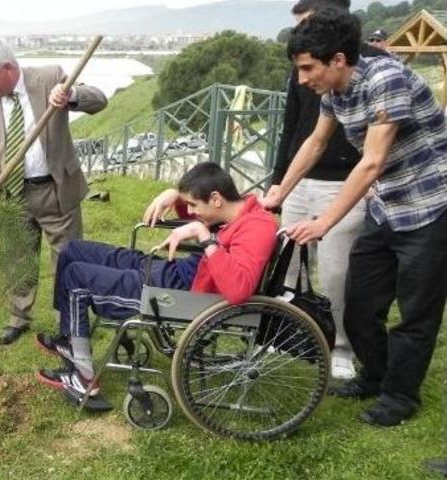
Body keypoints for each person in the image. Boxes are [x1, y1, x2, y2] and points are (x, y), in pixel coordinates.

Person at [264, 9, 447, 427]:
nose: (302, 79)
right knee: (359, 304)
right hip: (388, 208)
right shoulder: (335, 94)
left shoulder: (387, 79)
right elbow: (314, 143)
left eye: (308, 67)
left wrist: (324, 222)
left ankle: (400, 398)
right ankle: (375, 375)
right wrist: (279, 191)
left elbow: (371, 163)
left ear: (339, 60)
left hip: (432, 207)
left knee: (417, 312)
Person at [35, 162, 277, 399]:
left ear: (216, 198)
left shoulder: (257, 227)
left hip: (181, 293)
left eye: (193, 205)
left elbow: (238, 290)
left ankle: (83, 376)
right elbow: (204, 217)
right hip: (173, 271)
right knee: (73, 250)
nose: (190, 211)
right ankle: (69, 338)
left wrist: (203, 235)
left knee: (76, 276)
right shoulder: (235, 210)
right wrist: (174, 195)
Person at [271, 0, 390, 380]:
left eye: (308, 25)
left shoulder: (372, 70)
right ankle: (287, 333)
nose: (302, 34)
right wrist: (278, 184)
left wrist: (371, 184)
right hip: (300, 180)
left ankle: (341, 346)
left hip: (345, 184)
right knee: (285, 266)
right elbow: (296, 131)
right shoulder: (306, 69)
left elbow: (378, 151)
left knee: (336, 273)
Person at [0, 36, 108, 345]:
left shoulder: (49, 78)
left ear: (7, 67)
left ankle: (68, 322)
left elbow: (99, 100)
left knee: (67, 259)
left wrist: (70, 95)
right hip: (14, 195)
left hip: (56, 190)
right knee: (19, 259)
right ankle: (18, 317)